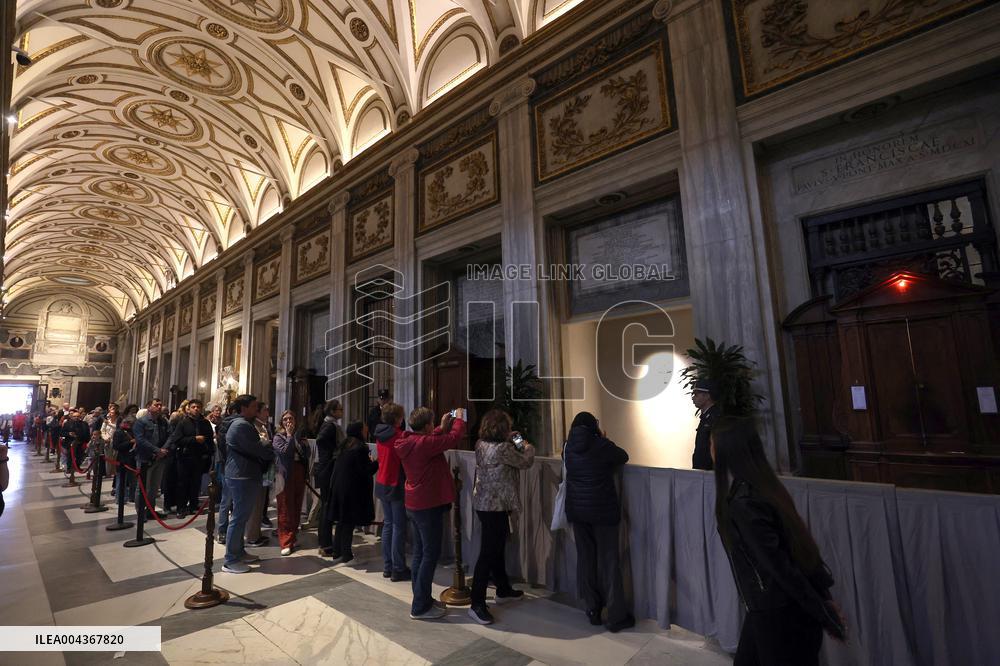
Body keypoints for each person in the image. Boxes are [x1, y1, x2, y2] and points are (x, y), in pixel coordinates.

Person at [711, 417, 847, 666]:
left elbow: (781, 566)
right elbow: (797, 553)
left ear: (728, 451)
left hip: (778, 614)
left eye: (713, 444)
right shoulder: (764, 489)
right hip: (770, 609)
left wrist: (823, 611)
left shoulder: (744, 503)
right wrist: (823, 600)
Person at [564, 411, 634, 633]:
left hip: (578, 510)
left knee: (586, 559)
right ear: (593, 426)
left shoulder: (568, 447)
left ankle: (592, 609)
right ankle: (615, 616)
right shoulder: (600, 445)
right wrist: (604, 439)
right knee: (609, 561)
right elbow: (623, 456)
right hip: (602, 511)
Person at [395, 406, 466, 620]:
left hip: (415, 504)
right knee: (429, 555)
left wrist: (439, 428)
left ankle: (422, 598)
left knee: (420, 553)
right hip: (428, 505)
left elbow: (428, 443)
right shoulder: (423, 444)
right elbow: (453, 438)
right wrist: (459, 420)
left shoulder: (408, 441)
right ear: (427, 425)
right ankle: (420, 607)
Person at [467, 409, 535, 625]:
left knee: (496, 548)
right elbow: (526, 461)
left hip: (483, 503)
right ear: (503, 428)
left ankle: (503, 588)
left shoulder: (480, 444)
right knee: (488, 552)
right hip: (496, 506)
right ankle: (476, 603)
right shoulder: (504, 448)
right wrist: (525, 444)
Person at [222, 394, 275, 574]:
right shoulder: (242, 425)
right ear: (244, 408)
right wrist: (268, 448)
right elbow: (259, 449)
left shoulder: (242, 424)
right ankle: (230, 560)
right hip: (242, 474)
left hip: (243, 473)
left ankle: (239, 552)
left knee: (242, 517)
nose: (256, 410)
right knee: (238, 518)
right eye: (253, 407)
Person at [327, 421, 378, 564]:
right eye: (365, 428)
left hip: (339, 487)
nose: (367, 430)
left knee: (341, 522)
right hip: (350, 490)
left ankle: (337, 553)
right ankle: (347, 556)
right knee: (348, 523)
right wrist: (376, 462)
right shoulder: (360, 447)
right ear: (359, 431)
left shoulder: (345, 445)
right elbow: (365, 470)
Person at [375, 402, 410, 581]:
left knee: (388, 525)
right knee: (398, 527)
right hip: (395, 483)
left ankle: (388, 566)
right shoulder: (398, 436)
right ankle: (398, 568)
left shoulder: (380, 434)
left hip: (381, 482)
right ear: (397, 418)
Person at [166, 399, 213, 518]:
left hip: (199, 457)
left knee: (196, 482)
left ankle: (193, 505)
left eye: (198, 407)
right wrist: (194, 439)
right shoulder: (183, 422)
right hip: (185, 457)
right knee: (182, 482)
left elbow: (209, 440)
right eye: (193, 407)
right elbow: (177, 440)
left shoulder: (205, 423)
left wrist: (209, 453)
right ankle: (181, 507)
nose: (196, 409)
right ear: (189, 408)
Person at [273, 410, 308, 556]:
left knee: (296, 505)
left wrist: (303, 444)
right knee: (285, 508)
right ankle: (285, 542)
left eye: (291, 419)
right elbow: (286, 453)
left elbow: (306, 455)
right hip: (285, 475)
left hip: (298, 472)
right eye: (286, 419)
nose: (289, 422)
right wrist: (288, 435)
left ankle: (292, 536)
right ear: (281, 422)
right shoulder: (278, 437)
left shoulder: (298, 437)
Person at [315, 399, 345, 556]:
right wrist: (332, 453)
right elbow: (320, 440)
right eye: (340, 409)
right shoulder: (329, 426)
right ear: (333, 411)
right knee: (327, 507)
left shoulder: (330, 425)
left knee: (327, 506)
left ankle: (325, 543)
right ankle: (325, 544)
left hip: (327, 469)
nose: (342, 411)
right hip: (328, 470)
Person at [244, 404, 274, 547]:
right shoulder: (254, 427)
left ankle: (256, 533)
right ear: (258, 413)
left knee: (261, 504)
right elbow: (259, 447)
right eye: (265, 411)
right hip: (257, 470)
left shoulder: (263, 426)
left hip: (263, 471)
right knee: (255, 505)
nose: (268, 413)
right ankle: (251, 536)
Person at [215, 403, 240, 545]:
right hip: (228, 466)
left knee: (232, 501)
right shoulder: (227, 425)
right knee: (227, 500)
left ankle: (230, 532)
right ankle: (222, 531)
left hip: (232, 466)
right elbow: (223, 447)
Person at [691, 378, 719, 471]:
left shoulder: (715, 416)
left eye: (696, 394)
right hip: (702, 471)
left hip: (710, 471)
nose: (693, 397)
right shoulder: (705, 417)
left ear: (707, 396)